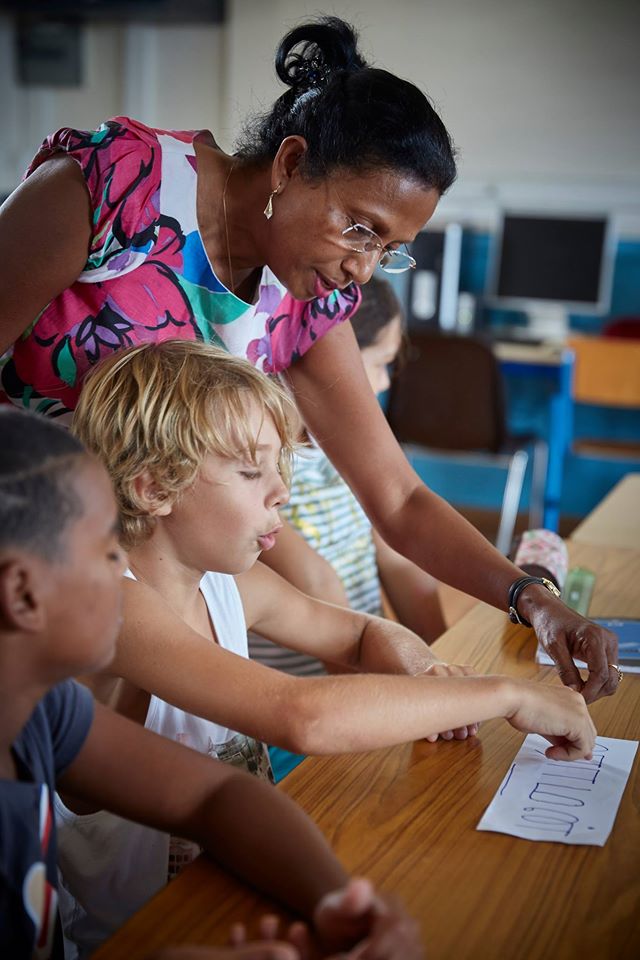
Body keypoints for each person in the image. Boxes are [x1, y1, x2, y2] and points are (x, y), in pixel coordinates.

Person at [0, 16, 617, 699]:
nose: (364, 268)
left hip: (152, 583)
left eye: (388, 250)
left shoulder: (306, 296)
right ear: (291, 164)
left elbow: (398, 496)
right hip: (29, 558)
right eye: (361, 228)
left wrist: (535, 600)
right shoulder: (118, 187)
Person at [0, 406, 424, 960]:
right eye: (106, 548)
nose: (122, 568)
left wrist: (337, 903)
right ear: (24, 595)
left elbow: (217, 793)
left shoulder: (44, 713)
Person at [251, 276, 447, 685]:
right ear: (336, 355)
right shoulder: (260, 463)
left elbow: (396, 557)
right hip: (308, 692)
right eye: (381, 362)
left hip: (370, 671)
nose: (386, 381)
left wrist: (443, 660)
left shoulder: (350, 447)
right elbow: (313, 580)